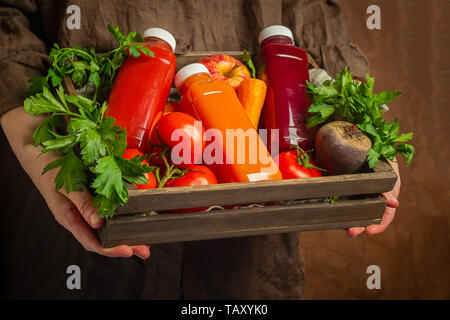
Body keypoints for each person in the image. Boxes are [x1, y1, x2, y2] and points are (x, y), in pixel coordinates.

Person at [0, 0, 400, 299]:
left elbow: (315, 14)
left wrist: (365, 131)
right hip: (73, 180)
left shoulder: (254, 84)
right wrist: (31, 135)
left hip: (251, 231)